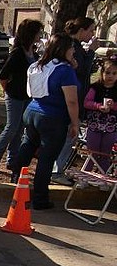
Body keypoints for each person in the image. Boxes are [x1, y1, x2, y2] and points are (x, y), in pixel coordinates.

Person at [11, 33, 80, 210]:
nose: (74, 50)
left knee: (28, 146)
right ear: (64, 49)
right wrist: (75, 123)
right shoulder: (64, 71)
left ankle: (16, 180)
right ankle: (40, 199)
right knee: (47, 158)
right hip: (53, 117)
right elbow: (71, 101)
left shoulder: (37, 65)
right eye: (72, 47)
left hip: (32, 111)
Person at [0, 19, 43, 174]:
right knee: (11, 127)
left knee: (20, 129)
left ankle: (12, 160)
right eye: (38, 32)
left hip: (28, 97)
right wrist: (7, 90)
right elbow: (3, 75)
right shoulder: (17, 53)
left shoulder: (35, 53)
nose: (40, 35)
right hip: (15, 96)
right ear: (30, 33)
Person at [52, 17, 100, 184]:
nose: (93, 34)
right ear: (81, 30)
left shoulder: (78, 48)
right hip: (71, 99)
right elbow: (81, 70)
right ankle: (56, 171)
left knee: (67, 137)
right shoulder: (73, 47)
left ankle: (57, 169)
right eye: (91, 30)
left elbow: (85, 70)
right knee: (68, 136)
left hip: (76, 98)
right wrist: (92, 51)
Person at [82, 56, 117, 172]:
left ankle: (104, 177)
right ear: (102, 73)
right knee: (92, 152)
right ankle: (86, 176)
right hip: (94, 125)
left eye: (114, 73)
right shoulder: (95, 88)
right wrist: (98, 106)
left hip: (111, 127)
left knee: (105, 153)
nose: (110, 76)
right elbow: (86, 102)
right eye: (107, 73)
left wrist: (113, 106)